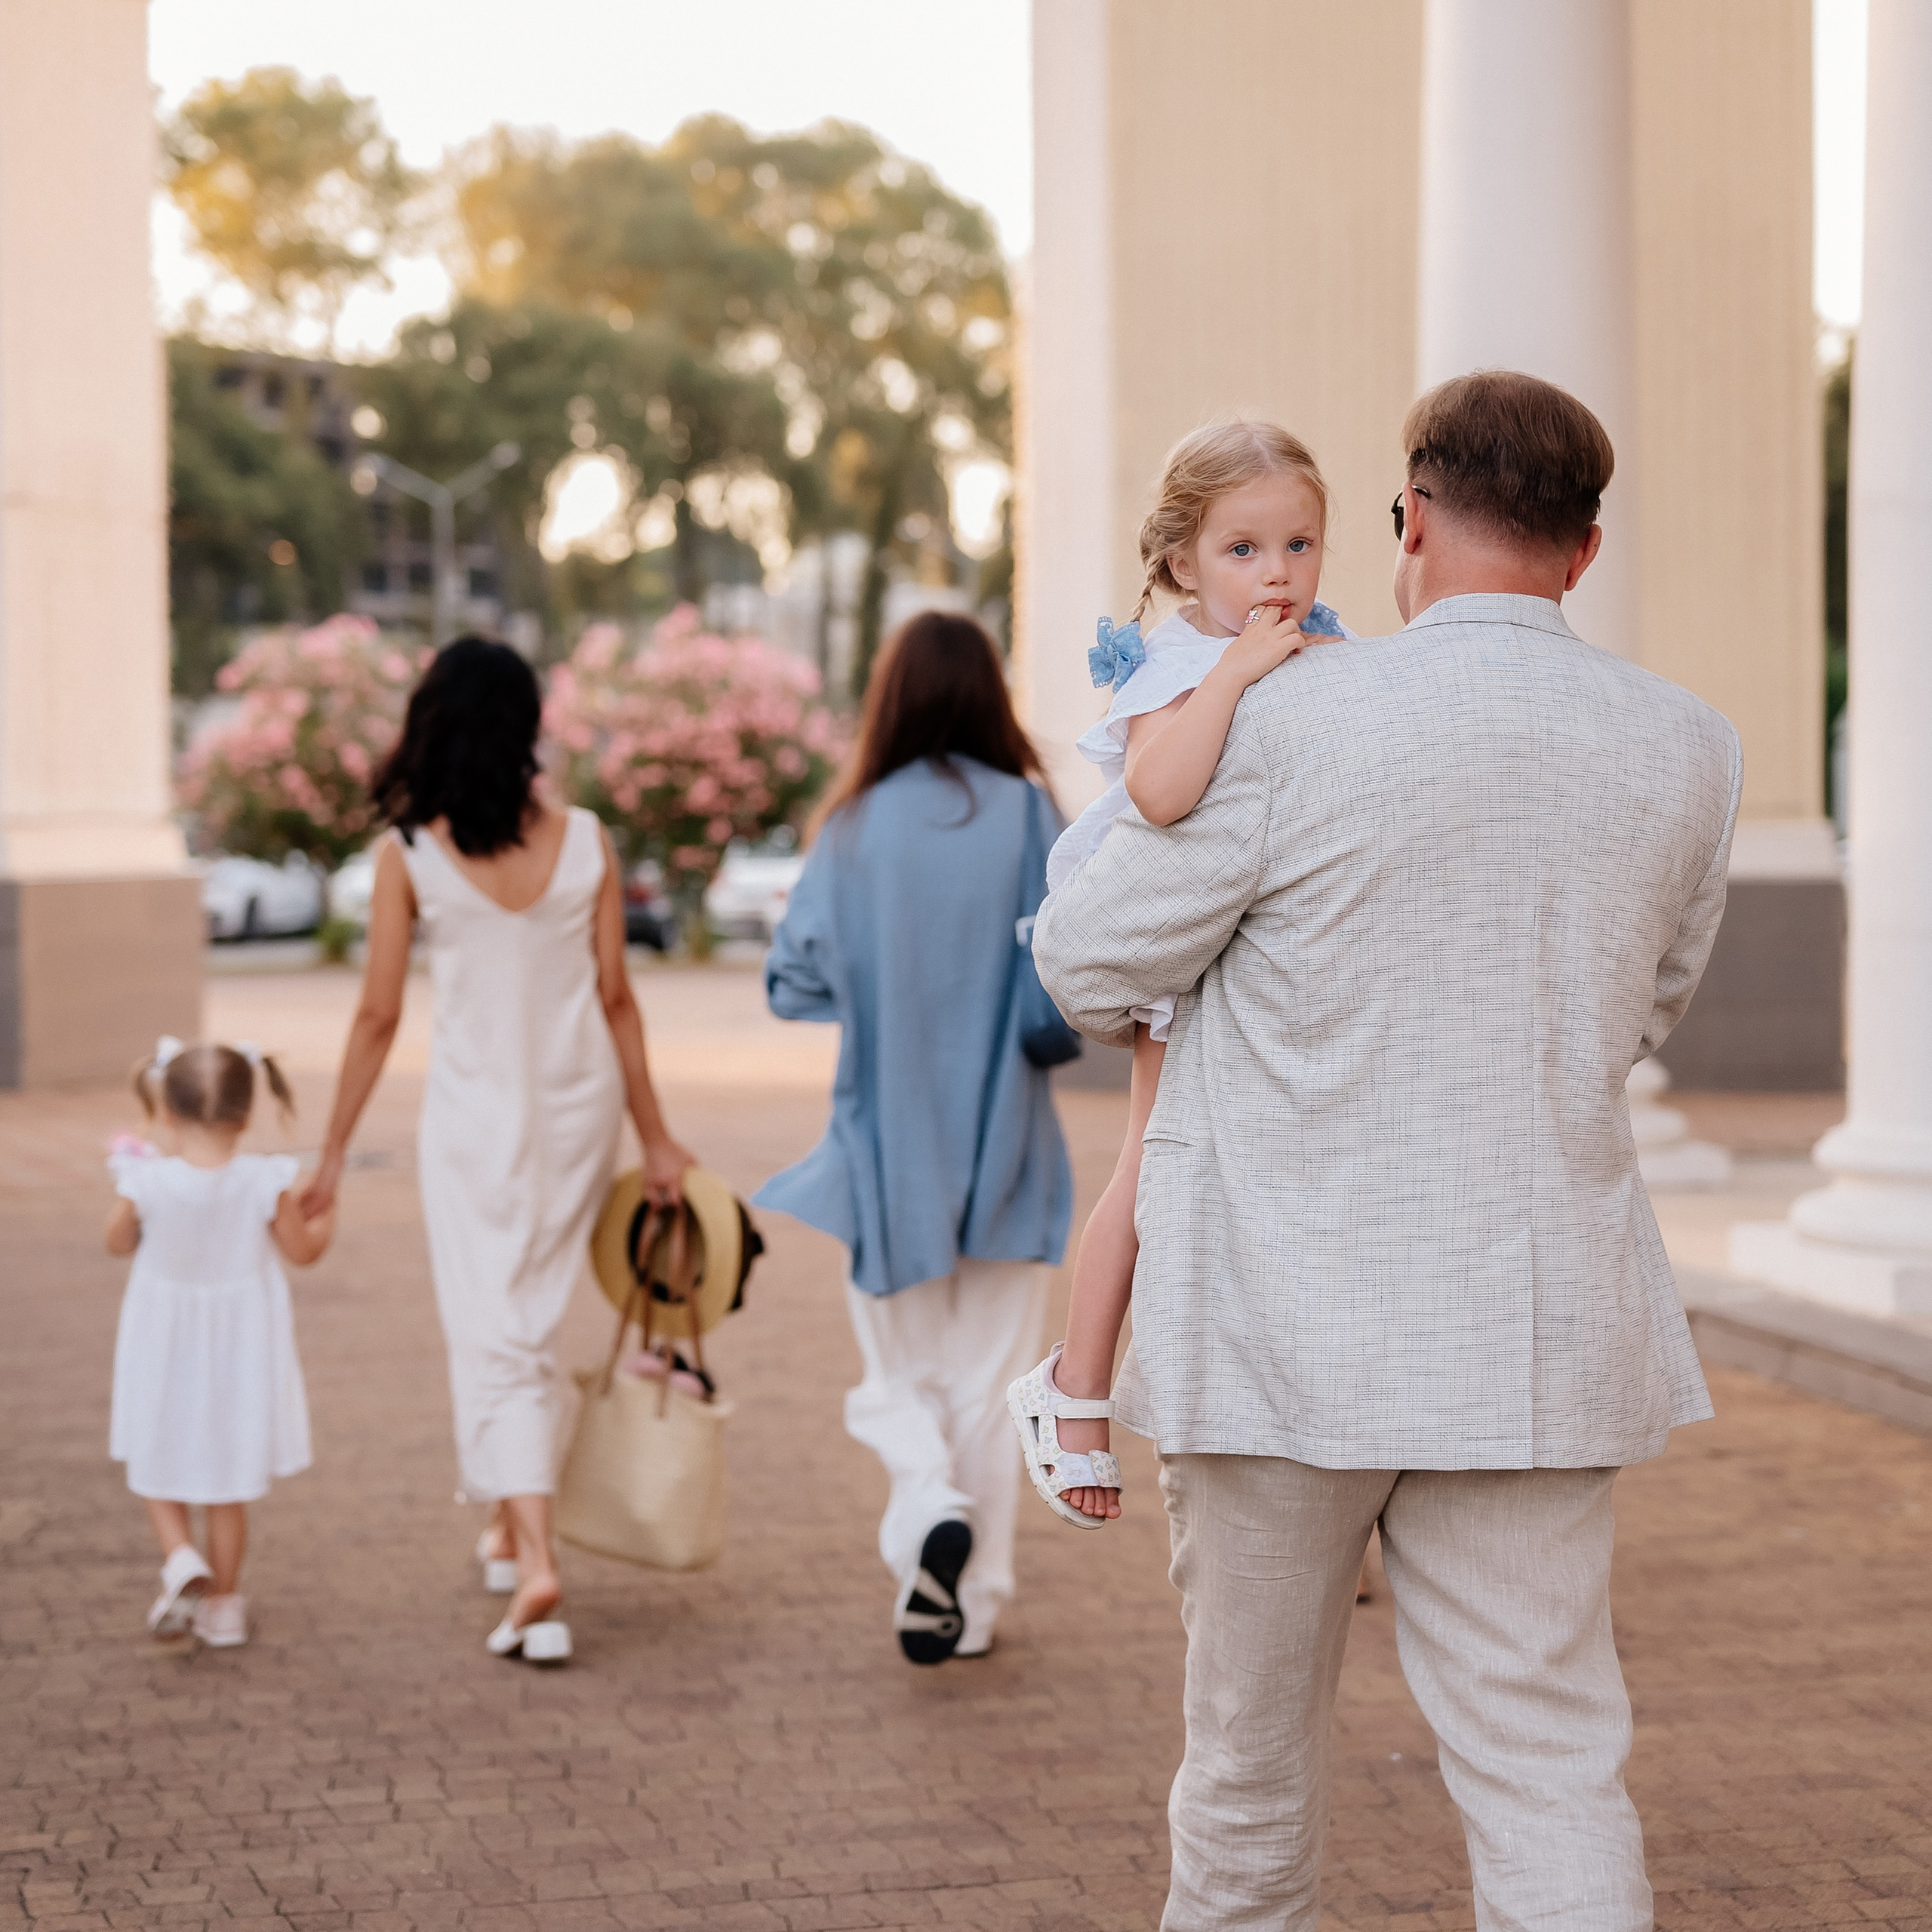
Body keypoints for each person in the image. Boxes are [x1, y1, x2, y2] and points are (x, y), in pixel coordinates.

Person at [1033, 371, 1742, 1930]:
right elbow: (1646, 1007)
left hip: (1278, 1337)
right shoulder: (1690, 747)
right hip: (1535, 1337)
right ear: (1585, 546)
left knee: (1245, 1779)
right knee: (1549, 1770)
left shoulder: (1284, 713)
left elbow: (1086, 964)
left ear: (1407, 521)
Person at [301, 637, 694, 1666]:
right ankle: (504, 1524)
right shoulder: (588, 841)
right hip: (577, 1112)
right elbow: (618, 997)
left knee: (495, 1332)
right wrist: (654, 1137)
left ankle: (538, 1568)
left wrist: (330, 1155)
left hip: (475, 1122)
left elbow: (377, 1017)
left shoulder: (412, 856)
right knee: (523, 1316)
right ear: (524, 729)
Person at [1006, 420, 1352, 1529]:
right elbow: (1160, 792)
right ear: (1180, 563)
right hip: (1174, 932)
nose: (1278, 574)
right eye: (1244, 550)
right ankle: (1074, 1388)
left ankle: (1293, 1403)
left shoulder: (1332, 651)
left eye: (1300, 545)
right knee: (1150, 1166)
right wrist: (1239, 669)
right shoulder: (1174, 662)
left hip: (1274, 943)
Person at [755, 611, 1073, 1666]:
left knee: (895, 1381)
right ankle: (971, 1603)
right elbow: (1080, 955)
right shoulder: (1031, 817)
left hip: (888, 1155)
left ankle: (928, 1506)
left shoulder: (853, 830)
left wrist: (879, 979)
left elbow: (790, 982)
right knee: (987, 1388)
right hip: (1009, 1144)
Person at [108, 1038, 334, 1649]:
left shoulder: (148, 1181)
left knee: (158, 1464)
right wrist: (327, 1218)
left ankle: (181, 1558)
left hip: (162, 1345)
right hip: (239, 1352)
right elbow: (303, 1253)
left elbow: (118, 1242)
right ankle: (225, 1608)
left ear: (169, 1112)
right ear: (246, 1114)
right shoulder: (267, 1180)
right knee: (228, 1482)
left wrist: (130, 1198)